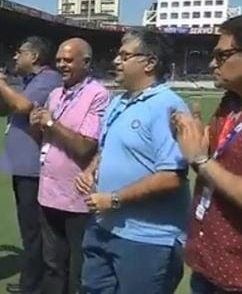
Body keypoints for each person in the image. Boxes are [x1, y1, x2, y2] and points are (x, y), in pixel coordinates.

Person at [76, 29, 190, 294]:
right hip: (103, 226)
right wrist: (90, 171)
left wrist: (114, 198)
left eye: (125, 55)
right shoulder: (119, 102)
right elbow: (106, 148)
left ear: (149, 63)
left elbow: (171, 176)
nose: (116, 60)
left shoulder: (167, 106)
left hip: (147, 239)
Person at [171, 13, 242, 294]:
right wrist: (194, 146)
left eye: (222, 56)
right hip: (207, 265)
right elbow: (214, 173)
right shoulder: (229, 104)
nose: (212, 64)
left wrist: (202, 160)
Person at [29, 38, 109, 294]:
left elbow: (86, 147)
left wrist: (51, 124)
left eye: (69, 60)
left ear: (86, 62)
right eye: (60, 60)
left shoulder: (98, 95)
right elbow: (44, 140)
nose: (62, 65)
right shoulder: (55, 94)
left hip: (77, 197)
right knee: (53, 264)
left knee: (79, 267)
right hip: (48, 192)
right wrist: (36, 125)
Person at [0, 36, 61, 294]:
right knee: (29, 229)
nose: (15, 57)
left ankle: (34, 286)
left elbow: (23, 105)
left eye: (20, 53)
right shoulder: (31, 82)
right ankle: (32, 281)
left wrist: (0, 81)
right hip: (23, 167)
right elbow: (2, 110)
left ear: (35, 57)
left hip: (35, 169)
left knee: (35, 231)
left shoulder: (48, 79)